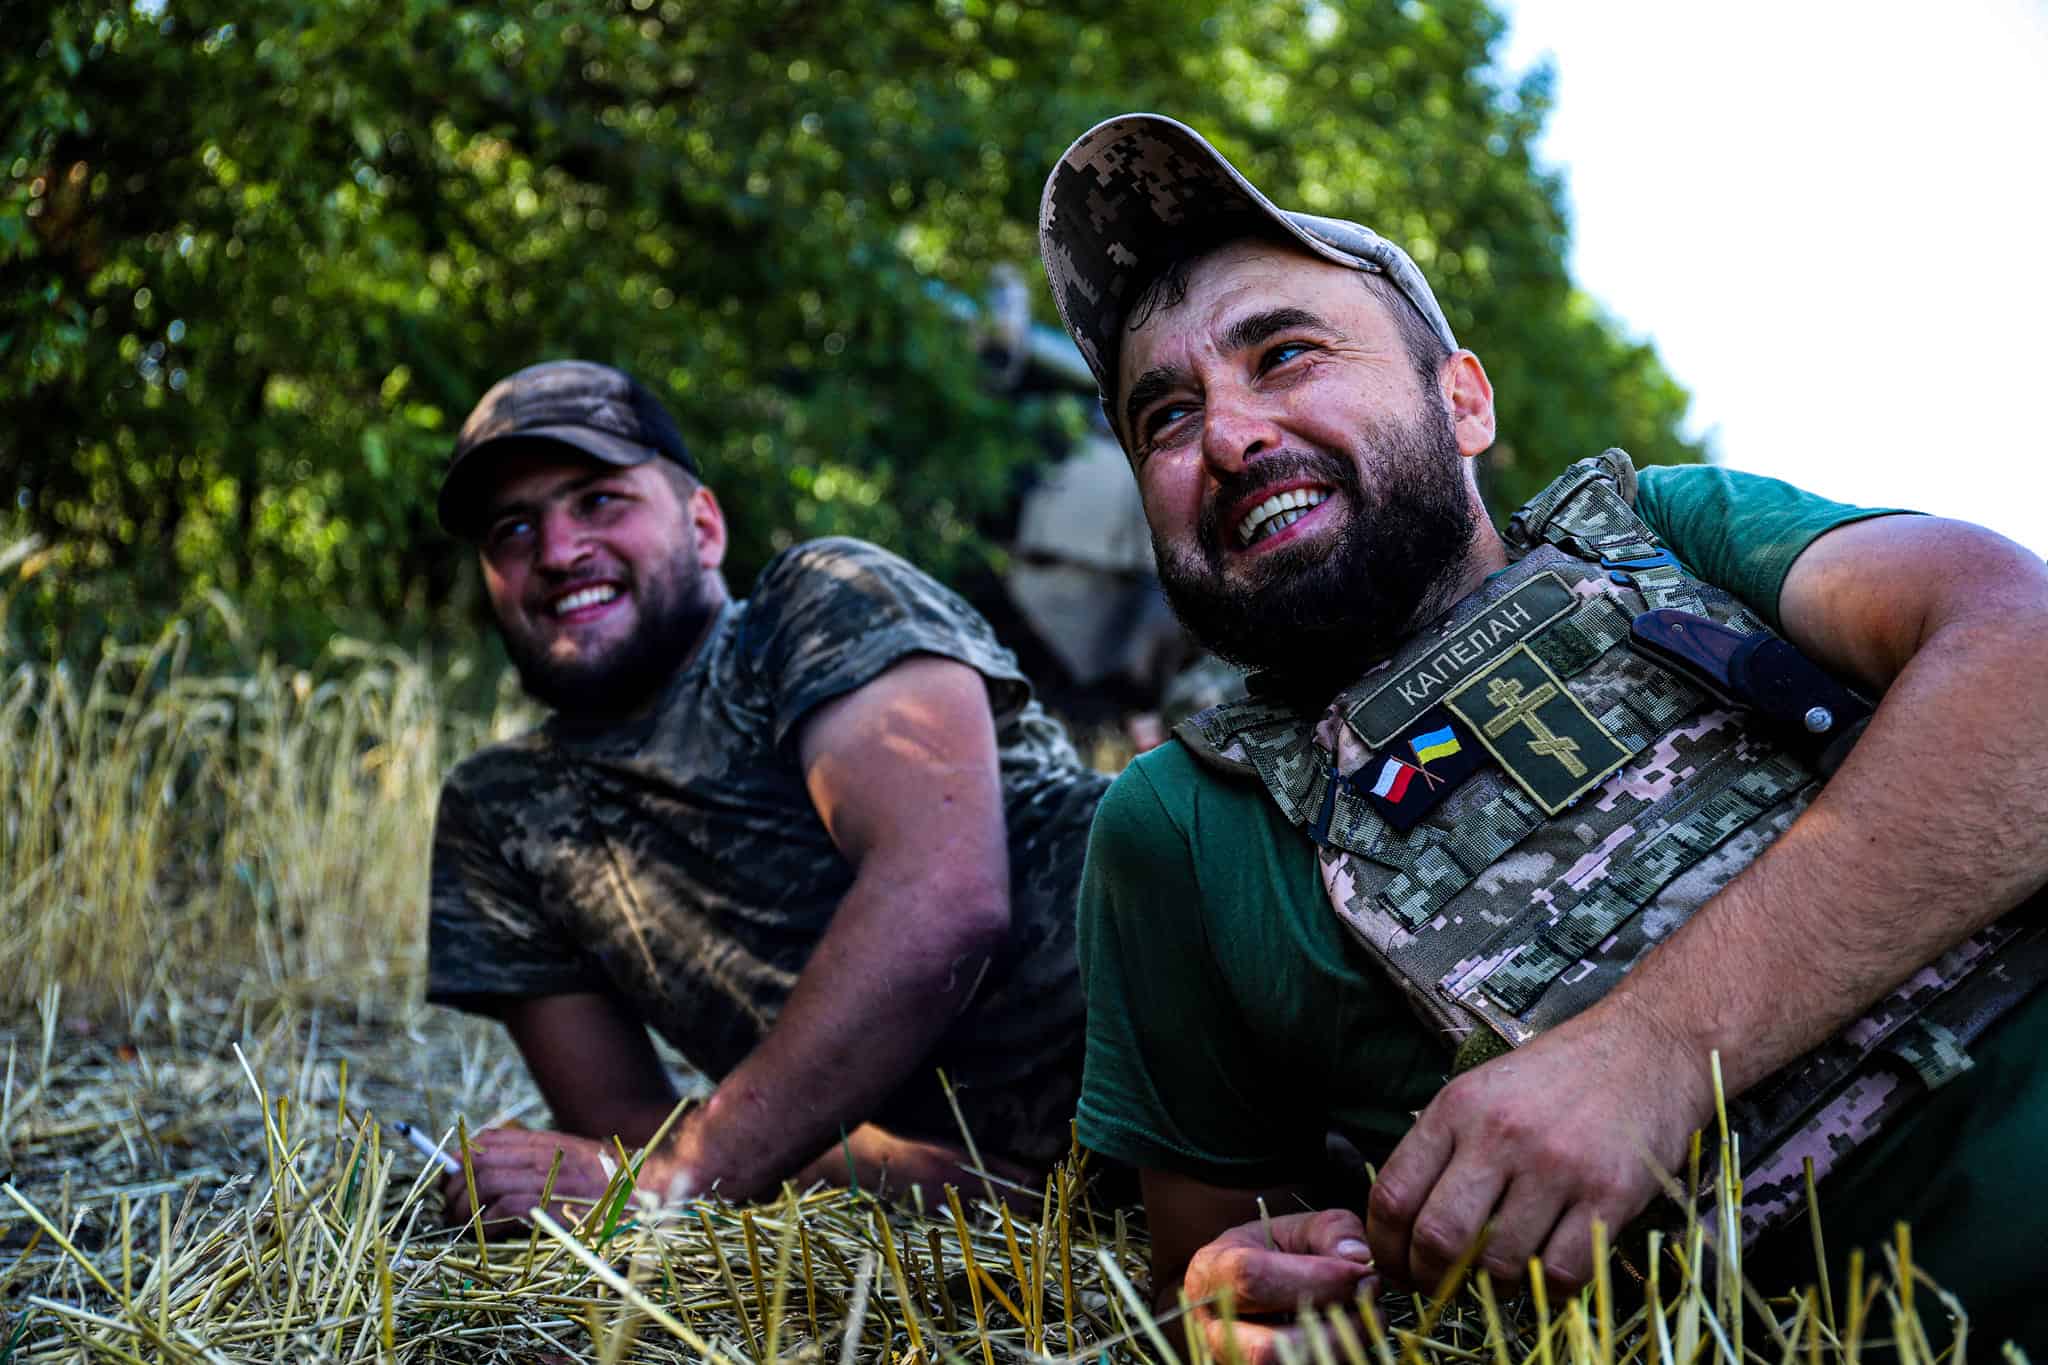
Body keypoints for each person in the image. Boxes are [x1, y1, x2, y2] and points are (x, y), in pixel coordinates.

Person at [1037, 113, 2048, 1356]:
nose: (1233, 439)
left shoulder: (1673, 530)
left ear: (1460, 400)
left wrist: (1656, 1050)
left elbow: (2027, 661)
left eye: (1285, 355)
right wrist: (1236, 1308)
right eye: (1164, 419)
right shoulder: (1178, 831)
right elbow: (1211, 1268)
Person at [425, 360, 1109, 1225]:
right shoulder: (501, 814)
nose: (558, 552)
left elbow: (944, 901)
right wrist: (952, 1187)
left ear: (703, 526)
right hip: (1094, 1186)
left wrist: (670, 1182)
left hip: (1224, 1003)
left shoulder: (821, 602)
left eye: (599, 499)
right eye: (512, 530)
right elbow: (628, 1131)